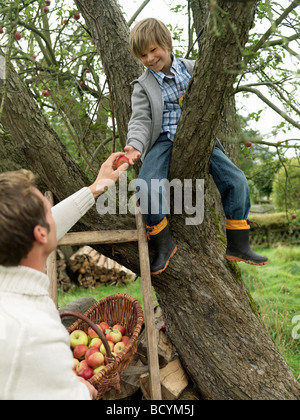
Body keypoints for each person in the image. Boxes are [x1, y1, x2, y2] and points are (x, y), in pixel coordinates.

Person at [124, 18, 268, 275]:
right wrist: (134, 146)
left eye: (153, 50)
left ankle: (238, 243)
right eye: (143, 55)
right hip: (163, 140)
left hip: (199, 138)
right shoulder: (143, 86)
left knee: (236, 179)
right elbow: (140, 120)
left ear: (167, 44)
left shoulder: (194, 69)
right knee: (145, 186)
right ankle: (164, 243)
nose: (149, 58)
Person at [0, 153, 129, 400]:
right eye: (49, 210)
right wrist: (80, 391)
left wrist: (95, 188)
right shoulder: (34, 330)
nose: (54, 215)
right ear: (40, 234)